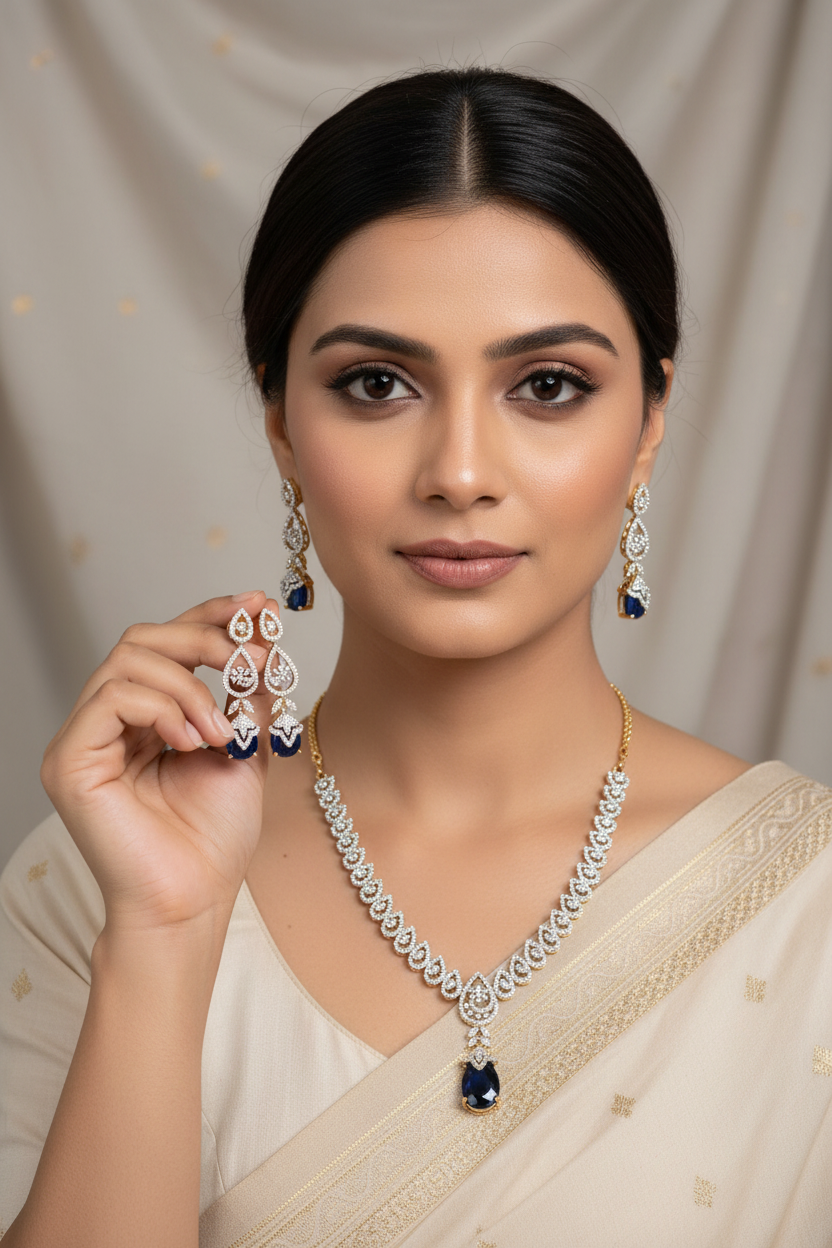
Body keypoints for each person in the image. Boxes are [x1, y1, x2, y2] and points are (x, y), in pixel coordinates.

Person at [1, 67, 830, 1248]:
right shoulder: (93, 882)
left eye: (547, 386)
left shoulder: (807, 902)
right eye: (375, 384)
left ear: (647, 424)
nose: (458, 470)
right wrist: (166, 936)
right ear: (282, 422)